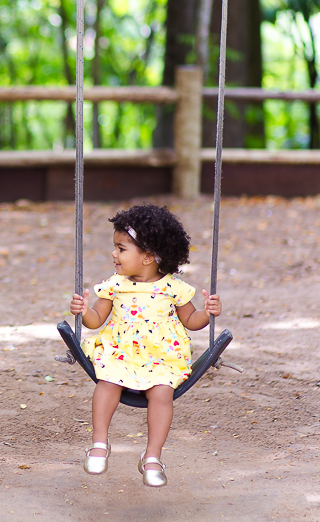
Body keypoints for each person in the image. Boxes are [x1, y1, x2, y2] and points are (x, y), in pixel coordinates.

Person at [69, 204, 222, 487]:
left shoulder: (173, 288)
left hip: (160, 359)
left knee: (162, 393)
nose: (114, 254)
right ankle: (99, 443)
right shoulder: (115, 285)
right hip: (120, 353)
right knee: (107, 381)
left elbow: (191, 320)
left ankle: (152, 456)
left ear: (149, 256)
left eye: (121, 248)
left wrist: (208, 312)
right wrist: (83, 310)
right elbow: (95, 321)